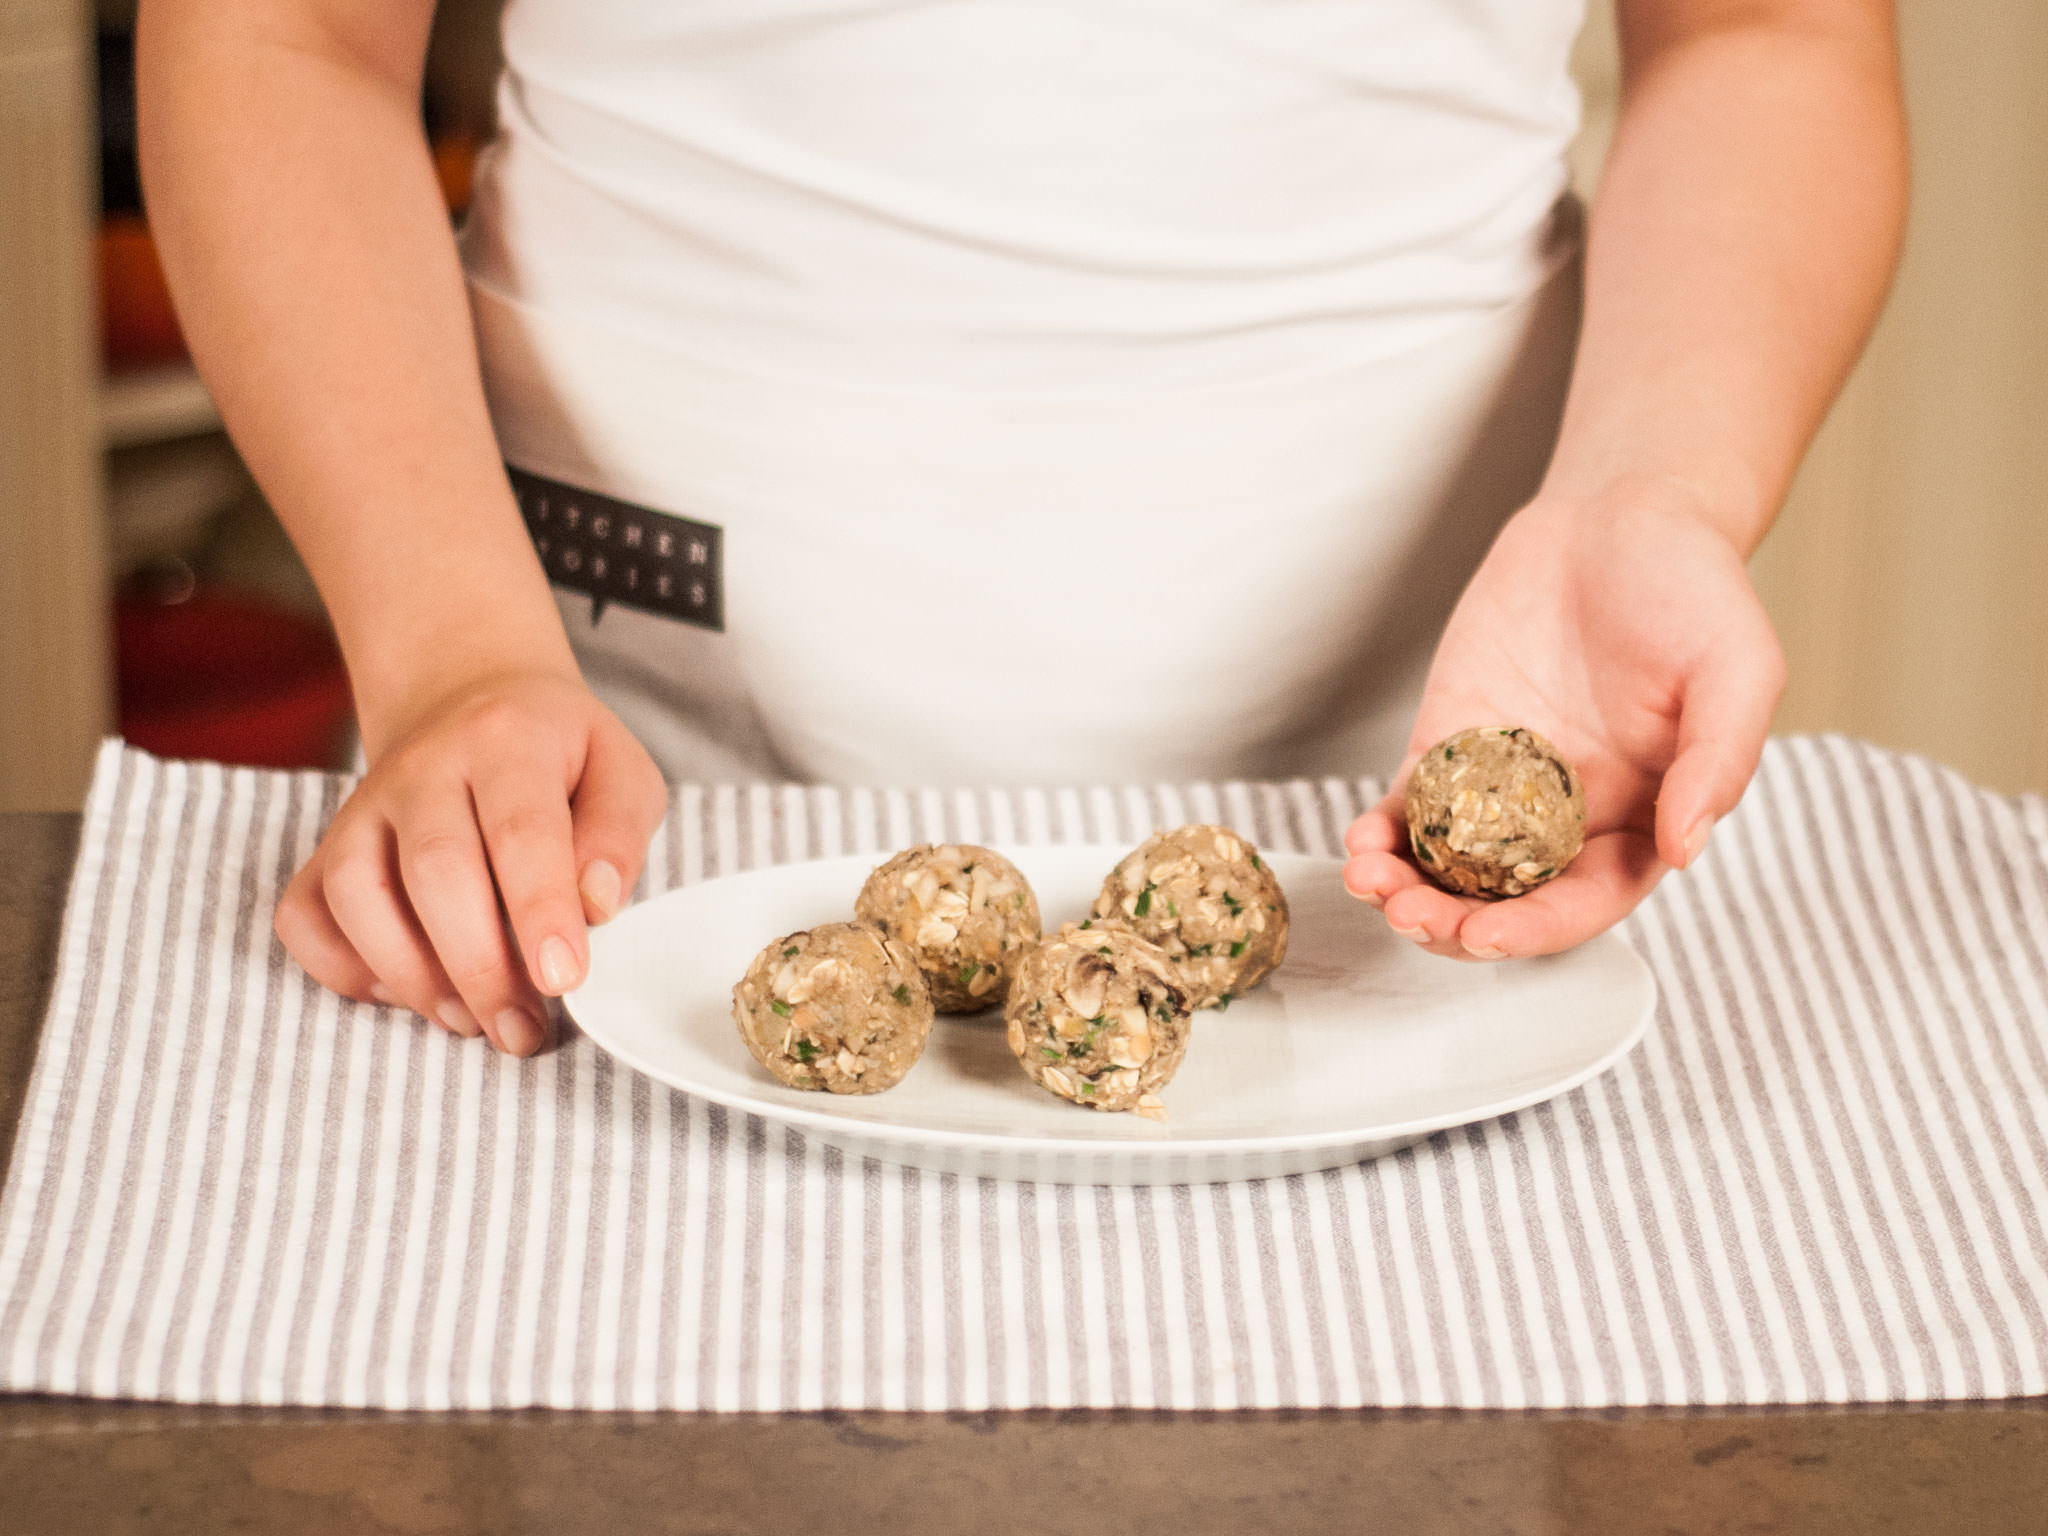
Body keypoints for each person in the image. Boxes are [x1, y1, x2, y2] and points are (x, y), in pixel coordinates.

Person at [138, 0, 1907, 1055]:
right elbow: (282, 33)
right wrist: (452, 650)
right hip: (599, 804)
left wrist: (1650, 487)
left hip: (1443, 786)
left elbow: (1768, 30)